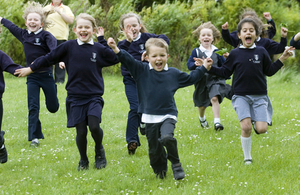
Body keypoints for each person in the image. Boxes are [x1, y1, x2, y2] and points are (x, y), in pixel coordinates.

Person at [15, 13, 119, 171]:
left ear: (92, 30)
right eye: (81, 27)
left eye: (87, 28)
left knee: (94, 126)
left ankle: (99, 151)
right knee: (81, 131)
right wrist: (30, 68)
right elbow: (49, 58)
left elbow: (115, 58)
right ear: (75, 29)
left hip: (94, 96)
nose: (83, 30)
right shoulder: (68, 47)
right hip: (75, 98)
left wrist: (105, 41)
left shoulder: (98, 49)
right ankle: (83, 159)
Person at [108, 32, 212, 179]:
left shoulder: (173, 74)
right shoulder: (141, 71)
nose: (158, 59)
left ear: (167, 57)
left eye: (162, 55)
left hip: (168, 115)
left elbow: (191, 78)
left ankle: (176, 163)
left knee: (167, 138)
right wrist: (116, 49)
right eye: (155, 56)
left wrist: (204, 67)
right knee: (154, 151)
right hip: (149, 117)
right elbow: (127, 60)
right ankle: (161, 173)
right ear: (147, 57)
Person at [208, 17, 294, 165]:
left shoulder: (261, 51)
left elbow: (270, 71)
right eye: (245, 31)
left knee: (261, 129)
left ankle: (257, 120)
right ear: (239, 36)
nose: (248, 33)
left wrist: (282, 58)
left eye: (251, 30)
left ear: (256, 35)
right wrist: (209, 68)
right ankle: (247, 157)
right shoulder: (235, 53)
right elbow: (225, 72)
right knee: (246, 127)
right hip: (240, 95)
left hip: (260, 96)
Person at [0, 2, 59, 147]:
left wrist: (60, 60)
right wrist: (1, 19)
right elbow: (11, 26)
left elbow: (54, 52)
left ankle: (53, 97)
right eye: (30, 20)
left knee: (53, 108)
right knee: (33, 107)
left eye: (36, 20)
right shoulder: (24, 35)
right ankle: (34, 137)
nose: (32, 22)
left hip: (46, 76)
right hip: (31, 77)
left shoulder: (47, 36)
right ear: (26, 22)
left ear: (41, 23)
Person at [116, 13, 170, 155]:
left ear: (140, 26)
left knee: (149, 107)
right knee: (135, 107)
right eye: (128, 27)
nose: (132, 28)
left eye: (134, 25)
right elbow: (118, 55)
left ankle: (146, 126)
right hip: (131, 80)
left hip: (148, 79)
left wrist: (150, 51)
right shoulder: (122, 44)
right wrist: (128, 41)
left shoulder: (148, 38)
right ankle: (132, 141)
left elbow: (164, 39)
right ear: (122, 29)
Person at [186, 21, 231, 131]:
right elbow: (189, 65)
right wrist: (194, 64)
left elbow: (224, 66)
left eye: (209, 35)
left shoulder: (217, 52)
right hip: (201, 80)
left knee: (214, 98)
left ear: (212, 38)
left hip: (215, 80)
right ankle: (202, 118)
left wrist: (227, 58)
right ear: (199, 39)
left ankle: (217, 123)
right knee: (202, 105)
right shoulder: (196, 51)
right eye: (203, 35)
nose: (206, 37)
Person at [221, 8, 287, 56]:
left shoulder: (264, 41)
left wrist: (270, 20)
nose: (249, 22)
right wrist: (225, 31)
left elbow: (272, 32)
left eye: (251, 20)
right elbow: (228, 38)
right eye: (246, 20)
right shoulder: (239, 37)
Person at [44, 0, 74, 84]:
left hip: (61, 37)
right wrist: (46, 14)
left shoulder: (65, 8)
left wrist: (60, 12)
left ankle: (59, 80)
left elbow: (71, 21)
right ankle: (47, 78)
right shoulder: (46, 8)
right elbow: (40, 21)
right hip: (48, 38)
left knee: (61, 59)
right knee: (47, 58)